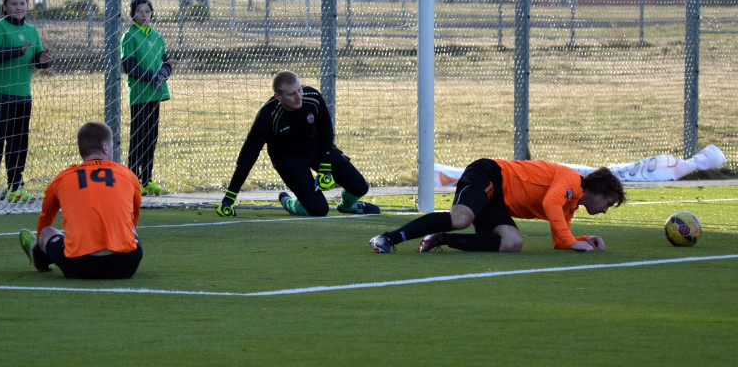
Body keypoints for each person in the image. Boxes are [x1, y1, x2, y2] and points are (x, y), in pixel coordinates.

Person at [369, 159, 625, 254]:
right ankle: (387, 238)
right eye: (608, 204)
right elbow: (550, 203)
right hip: (491, 175)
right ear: (599, 191)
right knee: (461, 219)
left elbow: (560, 240)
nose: (604, 210)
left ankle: (441, 238)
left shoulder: (571, 204)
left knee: (513, 242)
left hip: (499, 202)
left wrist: (583, 238)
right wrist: (572, 241)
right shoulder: (571, 182)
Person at [217, 70, 380, 218]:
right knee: (318, 210)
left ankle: (347, 207)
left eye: (299, 90)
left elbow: (326, 130)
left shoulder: (313, 97)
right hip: (289, 161)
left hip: (316, 149)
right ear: (278, 97)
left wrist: (325, 167)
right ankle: (289, 202)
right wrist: (229, 198)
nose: (299, 96)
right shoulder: (267, 118)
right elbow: (247, 157)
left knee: (360, 187)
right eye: (291, 94)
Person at [18, 121, 143, 279]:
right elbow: (134, 215)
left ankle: (39, 259)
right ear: (105, 148)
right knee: (130, 228)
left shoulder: (62, 178)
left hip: (78, 266)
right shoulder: (128, 175)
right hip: (124, 265)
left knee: (47, 232)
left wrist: (40, 242)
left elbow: (46, 218)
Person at [0, 0, 53, 202]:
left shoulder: (32, 31)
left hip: (22, 95)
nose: (18, 7)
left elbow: (37, 60)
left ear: (27, 5)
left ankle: (15, 186)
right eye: (13, 3)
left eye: (22, 3)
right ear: (5, 6)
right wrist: (16, 51)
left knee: (19, 141)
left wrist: (43, 61)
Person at [121, 0, 171, 195]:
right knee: (138, 137)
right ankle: (132, 180)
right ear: (133, 14)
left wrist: (163, 74)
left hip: (155, 95)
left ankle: (147, 180)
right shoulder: (129, 36)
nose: (144, 15)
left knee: (152, 137)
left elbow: (166, 63)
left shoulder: (157, 37)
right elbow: (129, 66)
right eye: (140, 11)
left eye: (147, 11)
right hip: (140, 95)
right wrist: (152, 77)